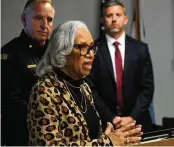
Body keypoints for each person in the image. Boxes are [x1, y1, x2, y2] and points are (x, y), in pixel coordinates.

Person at [27, 20, 142, 146]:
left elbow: (89, 139)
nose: (91, 54)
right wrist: (107, 142)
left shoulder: (84, 87)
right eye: (83, 47)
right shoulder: (44, 91)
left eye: (92, 47)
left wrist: (114, 138)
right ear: (62, 51)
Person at [86, 0, 154, 133]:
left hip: (138, 123)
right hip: (106, 125)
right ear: (102, 20)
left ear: (126, 19)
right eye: (109, 15)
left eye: (118, 14)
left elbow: (147, 88)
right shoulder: (92, 49)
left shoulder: (141, 49)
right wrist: (112, 118)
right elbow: (90, 89)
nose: (114, 19)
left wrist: (132, 117)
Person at [1, 0, 55, 145]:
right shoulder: (9, 53)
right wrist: (46, 115)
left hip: (54, 135)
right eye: (38, 18)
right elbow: (11, 102)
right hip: (22, 136)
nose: (45, 25)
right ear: (24, 20)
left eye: (49, 20)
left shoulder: (55, 53)